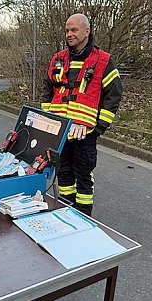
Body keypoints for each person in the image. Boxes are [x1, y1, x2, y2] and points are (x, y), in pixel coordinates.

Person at [41, 13, 123, 217]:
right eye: (67, 30)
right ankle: (66, 212)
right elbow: (47, 91)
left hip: (85, 134)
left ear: (87, 31)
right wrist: (47, 124)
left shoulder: (103, 61)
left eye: (74, 30)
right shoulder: (58, 59)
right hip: (60, 132)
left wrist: (97, 129)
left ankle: (84, 217)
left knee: (84, 177)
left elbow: (113, 96)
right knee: (64, 174)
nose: (69, 34)